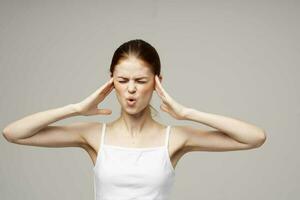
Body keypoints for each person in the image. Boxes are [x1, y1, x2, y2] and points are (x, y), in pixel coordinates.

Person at [2, 39, 267, 200]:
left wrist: (188, 113)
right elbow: (14, 133)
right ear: (111, 82)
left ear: (157, 83)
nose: (131, 89)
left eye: (140, 81)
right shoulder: (94, 135)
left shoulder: (174, 138)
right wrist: (76, 108)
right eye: (122, 80)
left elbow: (255, 138)